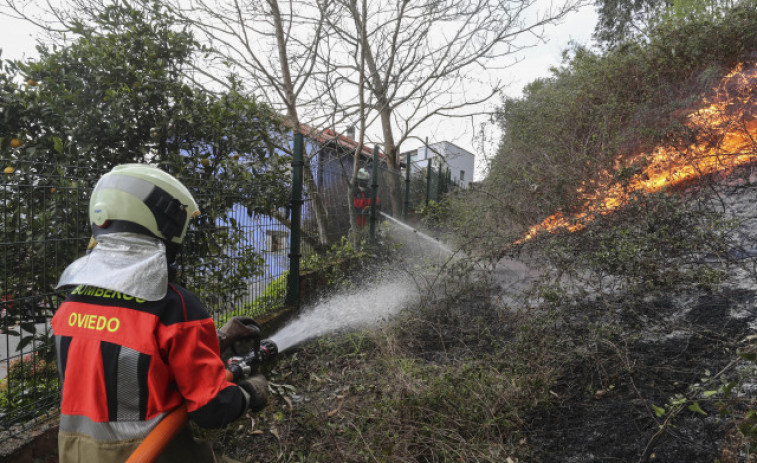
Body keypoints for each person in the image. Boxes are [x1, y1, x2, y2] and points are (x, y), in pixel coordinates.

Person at [51, 164, 268, 462]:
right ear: (165, 224)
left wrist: (218, 338)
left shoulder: (71, 303)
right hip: (152, 452)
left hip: (73, 452)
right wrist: (250, 393)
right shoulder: (176, 307)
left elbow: (133, 356)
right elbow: (211, 409)